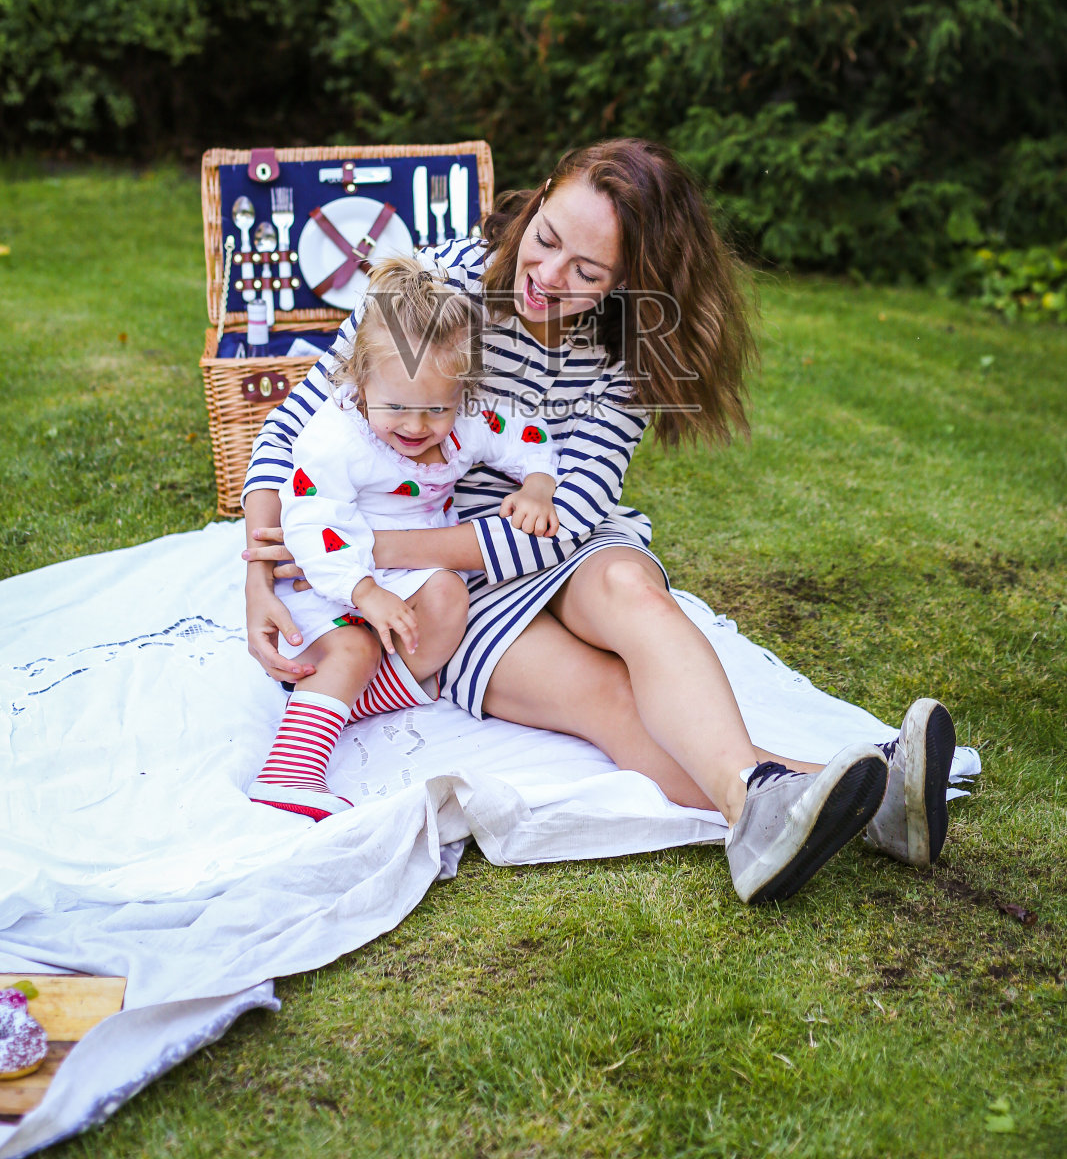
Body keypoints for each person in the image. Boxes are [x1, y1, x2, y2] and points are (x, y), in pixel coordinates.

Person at [243, 140, 957, 902]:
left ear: (629, 283)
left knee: (632, 595)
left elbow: (572, 510)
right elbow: (297, 425)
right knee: (607, 696)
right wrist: (260, 573)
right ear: (542, 196)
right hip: (449, 577)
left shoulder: (629, 346)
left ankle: (760, 798)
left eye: (586, 273)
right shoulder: (436, 291)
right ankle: (859, 805)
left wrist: (367, 543)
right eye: (546, 239)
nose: (548, 277)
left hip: (558, 530)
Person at [248, 255, 559, 822]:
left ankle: (342, 699)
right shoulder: (336, 439)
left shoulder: (464, 422)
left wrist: (537, 484)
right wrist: (365, 593)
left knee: (447, 600)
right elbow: (315, 527)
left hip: (404, 571)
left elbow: (524, 438)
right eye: (397, 409)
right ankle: (287, 776)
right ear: (360, 380)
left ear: (460, 394)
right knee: (355, 646)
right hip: (331, 567)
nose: (416, 428)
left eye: (435, 410)